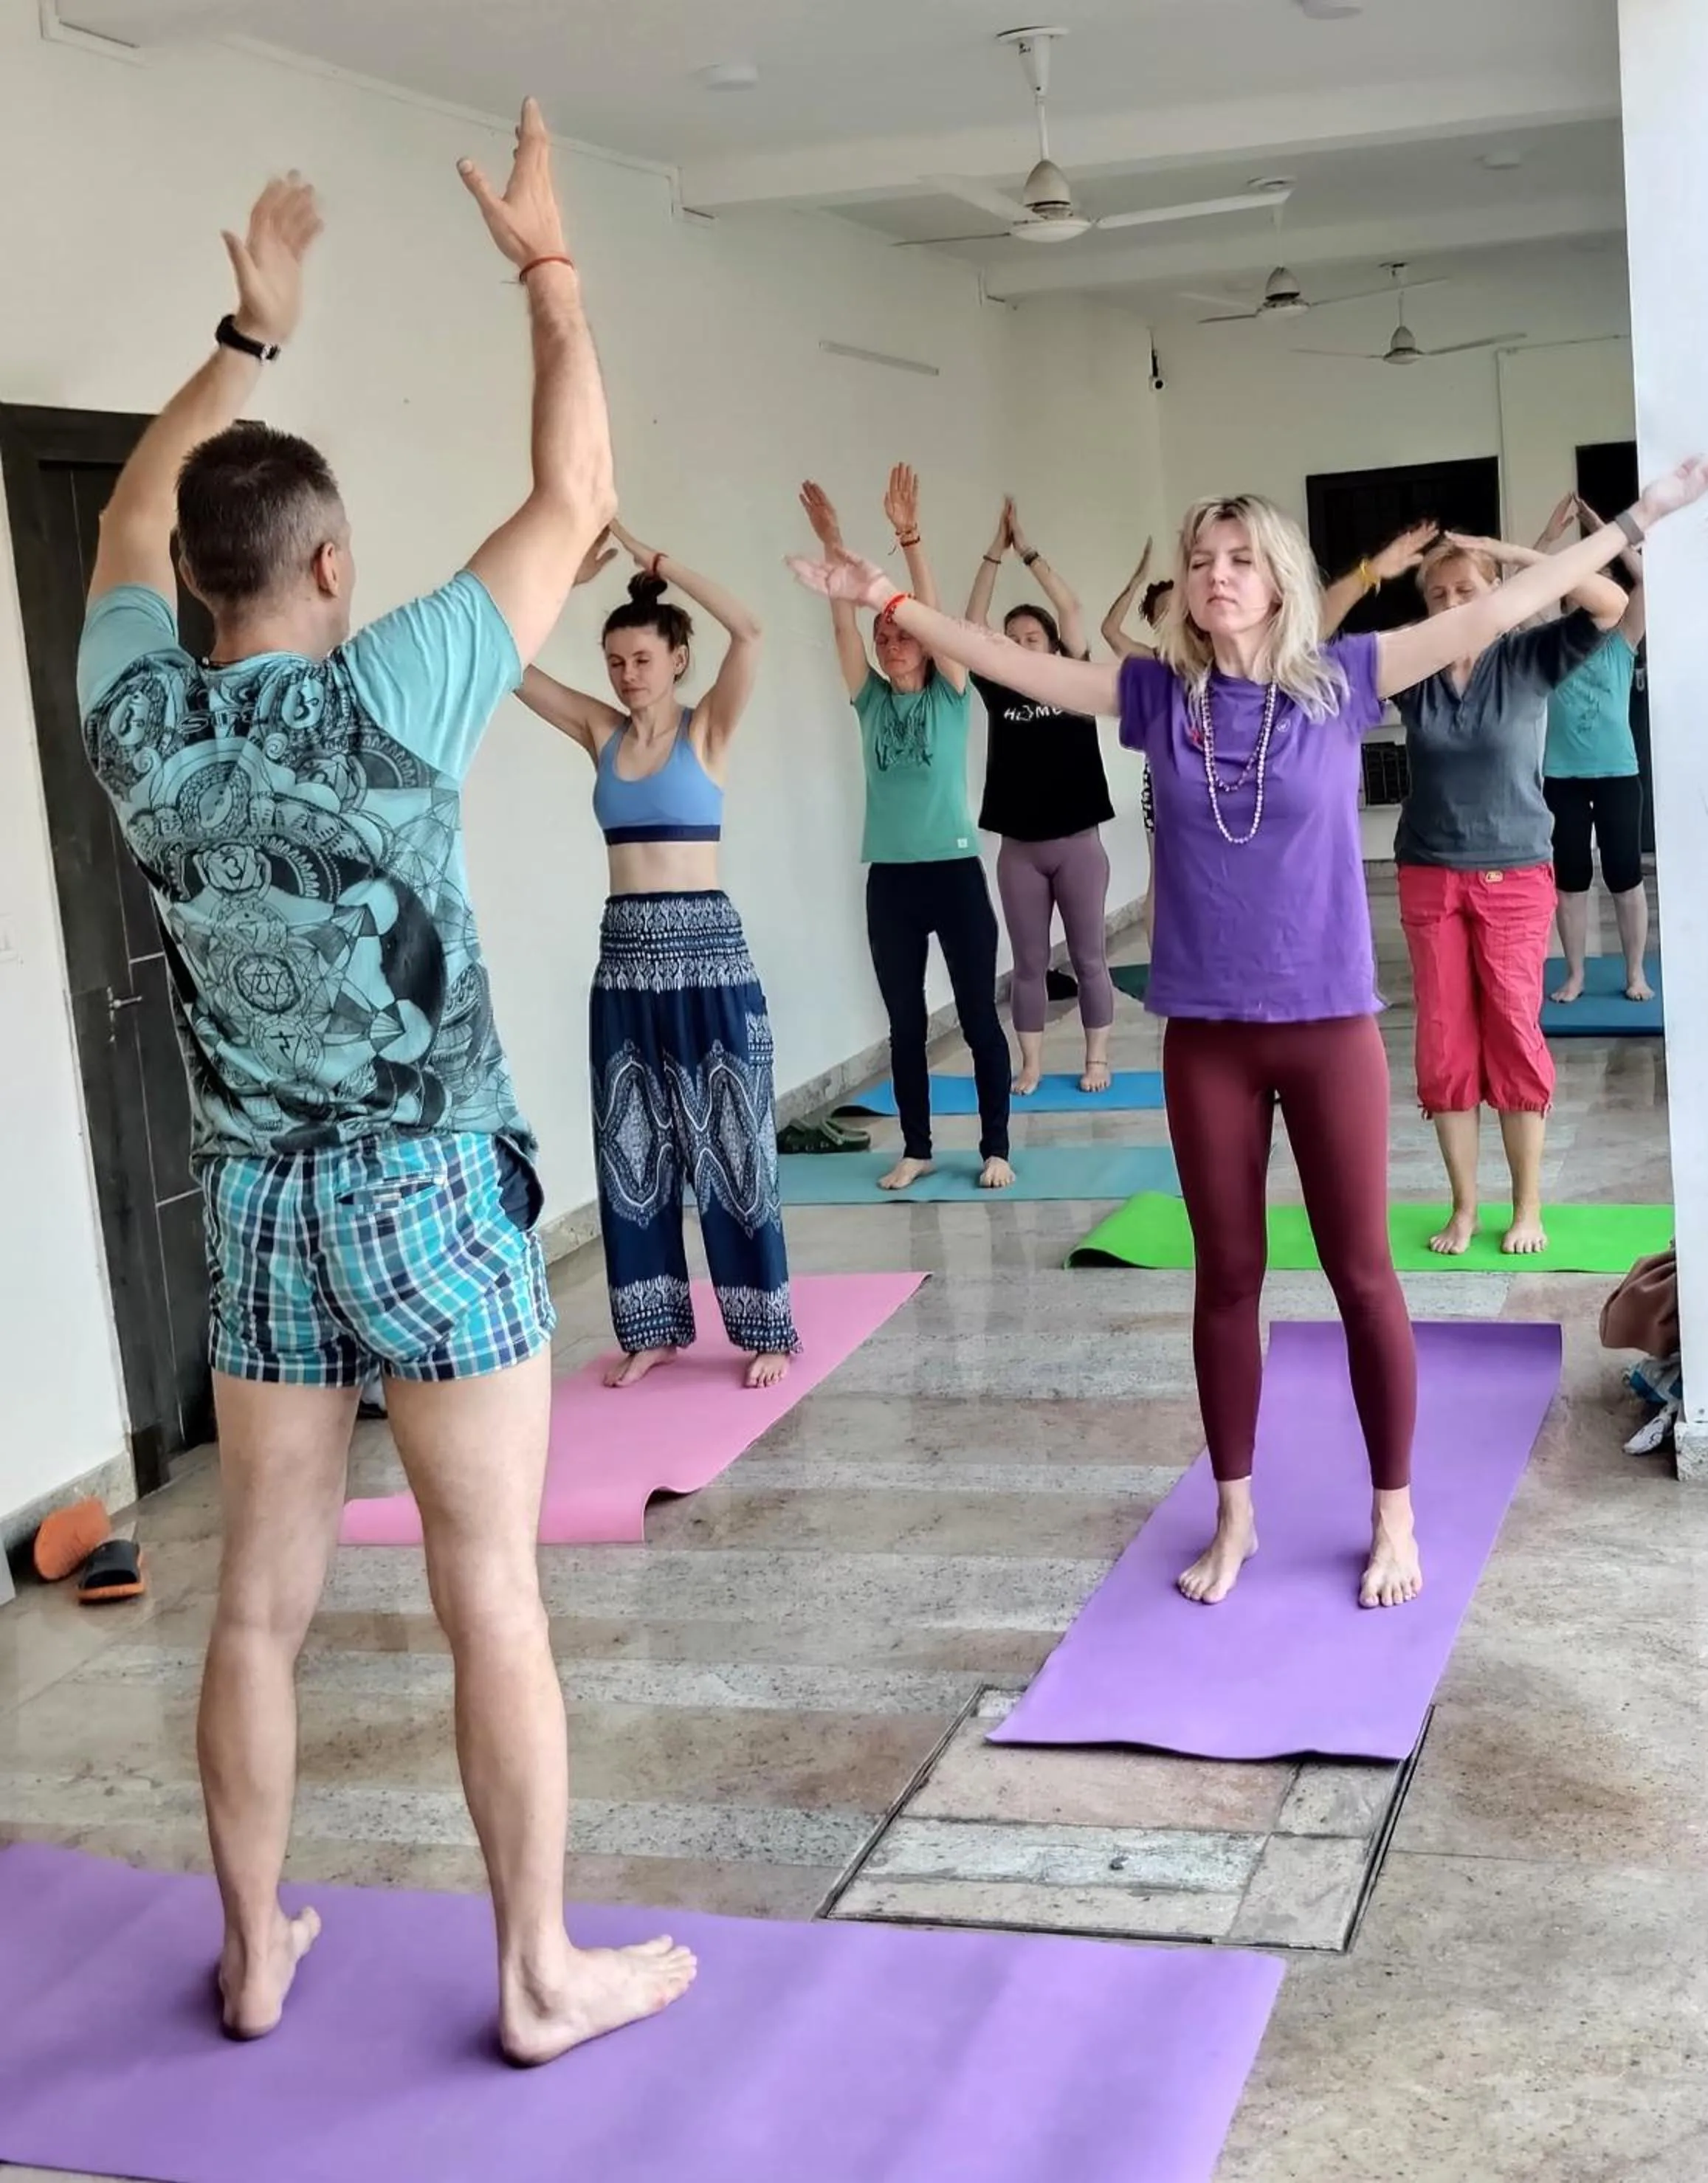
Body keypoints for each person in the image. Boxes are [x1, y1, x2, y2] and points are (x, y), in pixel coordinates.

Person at [75, 111, 694, 2060]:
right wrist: (547, 267)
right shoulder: (394, 681)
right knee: (487, 1591)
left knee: (257, 1606)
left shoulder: (134, 713)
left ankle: (254, 1947)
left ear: (195, 581)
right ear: (333, 563)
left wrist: (244, 342)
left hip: (256, 1205)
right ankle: (535, 1974)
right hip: (426, 1188)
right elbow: (580, 490)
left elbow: (122, 521)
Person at [788, 460, 1708, 1610]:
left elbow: (1500, 609)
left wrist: (1634, 521)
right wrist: (887, 597)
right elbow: (1015, 663)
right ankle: (1234, 1511)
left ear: (1280, 579)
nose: (1216, 575)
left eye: (1239, 559)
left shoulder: (1344, 680)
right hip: (1209, 1039)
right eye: (1200, 560)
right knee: (1226, 1279)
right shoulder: (1157, 698)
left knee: (1363, 1274)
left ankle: (1393, 1510)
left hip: (1328, 1028)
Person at [515, 525, 796, 1389]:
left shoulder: (706, 732)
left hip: (708, 956)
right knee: (631, 1149)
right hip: (624, 960)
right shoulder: (599, 732)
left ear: (676, 660)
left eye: (642, 659)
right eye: (615, 662)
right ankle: (653, 1327)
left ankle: (767, 1328)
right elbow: (507, 663)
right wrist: (561, 579)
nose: (627, 675)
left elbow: (750, 630)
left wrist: (662, 565)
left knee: (734, 1145)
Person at [1325, 524, 1629, 1260]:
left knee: (1515, 1036)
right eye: (1438, 595)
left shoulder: (1527, 655)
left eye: (1467, 590)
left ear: (1494, 594)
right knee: (1445, 1043)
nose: (1452, 603)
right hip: (1430, 873)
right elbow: (1316, 654)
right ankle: (1464, 1207)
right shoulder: (1415, 666)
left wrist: (1519, 560)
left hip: (1515, 873)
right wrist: (1371, 571)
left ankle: (1527, 1206)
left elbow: (1610, 602)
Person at [798, 469, 1014, 1190]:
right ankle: (917, 1148)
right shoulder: (869, 702)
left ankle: (995, 1148)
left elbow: (935, 617)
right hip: (891, 882)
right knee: (907, 1025)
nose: (891, 642)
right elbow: (842, 623)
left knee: (978, 1017)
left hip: (954, 876)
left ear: (922, 645)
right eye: (883, 636)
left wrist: (910, 540)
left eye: (901, 634)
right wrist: (832, 544)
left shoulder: (952, 694)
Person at [965, 497, 1118, 1095]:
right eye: (1012, 640)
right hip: (1021, 850)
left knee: (1090, 957)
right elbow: (970, 627)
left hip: (1078, 844)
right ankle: (1030, 1064)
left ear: (1054, 647)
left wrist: (1026, 551)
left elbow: (1071, 607)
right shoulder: (999, 691)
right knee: (1028, 964)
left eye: (1032, 637)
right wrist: (991, 554)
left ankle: (1097, 1059)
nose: (1021, 645)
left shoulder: (1075, 682)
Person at [1537, 494, 1653, 1004]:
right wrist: (1549, 538)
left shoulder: (1622, 640)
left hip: (1617, 775)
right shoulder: (1551, 643)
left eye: (1600, 582)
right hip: (1563, 776)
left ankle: (1635, 973)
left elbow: (1648, 581)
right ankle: (1576, 975)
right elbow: (1517, 589)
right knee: (1571, 881)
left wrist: (1606, 529)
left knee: (1625, 876)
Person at [1101, 542, 1179, 945]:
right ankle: (1160, 963)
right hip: (1163, 781)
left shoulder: (1214, 660)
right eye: (1163, 613)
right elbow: (1110, 632)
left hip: (1209, 780)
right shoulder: (1152, 663)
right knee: (1163, 877)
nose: (1173, 617)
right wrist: (1136, 580)